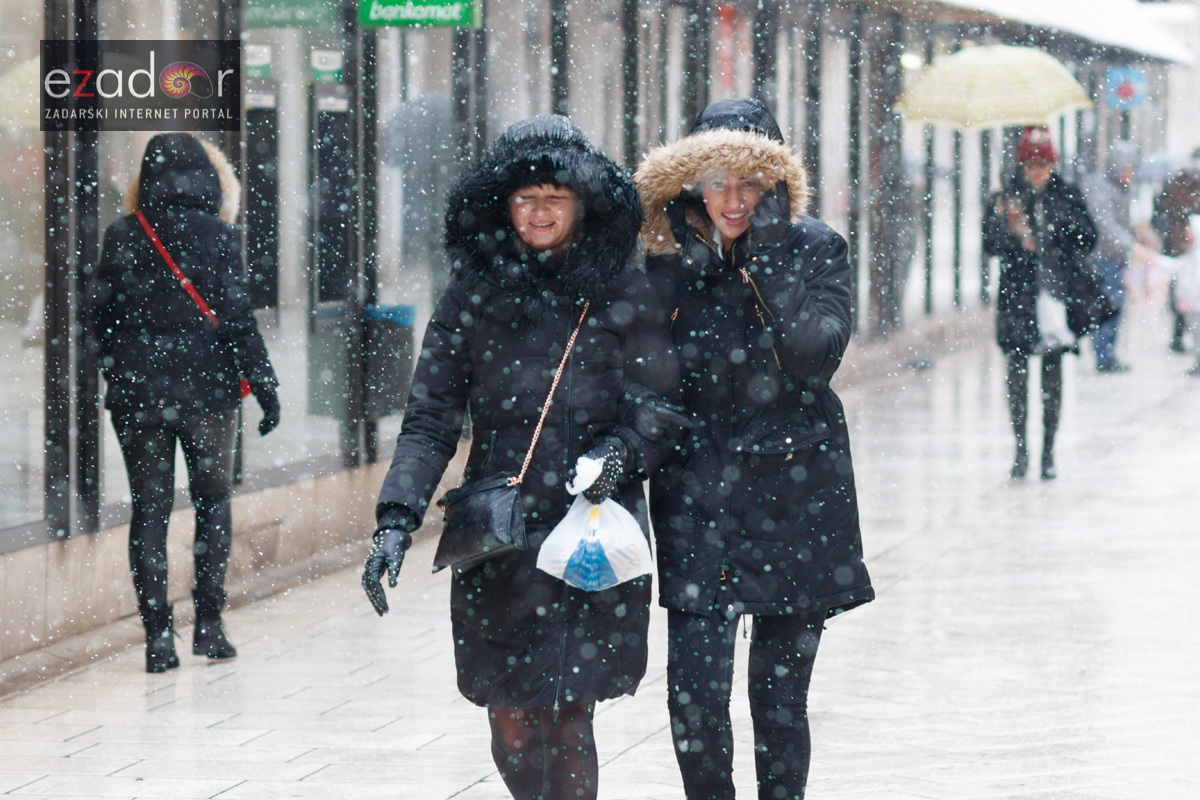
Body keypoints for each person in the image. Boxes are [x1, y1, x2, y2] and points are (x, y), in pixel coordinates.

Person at [360, 115, 682, 800]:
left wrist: (619, 456)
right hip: (499, 536)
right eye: (526, 197)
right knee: (510, 720)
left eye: (555, 196)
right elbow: (429, 420)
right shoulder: (471, 295)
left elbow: (658, 408)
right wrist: (395, 517)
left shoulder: (621, 291)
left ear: (583, 203)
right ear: (502, 205)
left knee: (569, 716)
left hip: (589, 531)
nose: (539, 211)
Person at [633, 97, 874, 800]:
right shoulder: (665, 260)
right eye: (715, 182)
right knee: (694, 697)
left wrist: (766, 260)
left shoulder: (816, 248)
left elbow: (812, 358)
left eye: (748, 183)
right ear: (691, 183)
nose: (731, 201)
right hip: (697, 494)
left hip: (796, 492)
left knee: (779, 702)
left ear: (775, 183)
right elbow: (640, 370)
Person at [89, 133, 281, 673]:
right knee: (212, 503)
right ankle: (211, 627)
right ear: (207, 178)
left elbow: (98, 319)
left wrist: (118, 368)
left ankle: (156, 639)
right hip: (207, 394)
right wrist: (266, 389)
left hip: (138, 398)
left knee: (149, 511)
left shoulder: (122, 235)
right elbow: (240, 319)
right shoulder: (219, 235)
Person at [983, 127, 1113, 480]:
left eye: (1043, 163)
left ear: (1052, 164)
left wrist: (1053, 229)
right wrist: (1012, 233)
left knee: (1052, 376)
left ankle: (1048, 452)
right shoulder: (1005, 196)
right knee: (1017, 372)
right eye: (1030, 164)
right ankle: (1021, 449)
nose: (1037, 171)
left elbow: (1088, 237)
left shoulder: (1066, 194)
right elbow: (989, 244)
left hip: (1054, 296)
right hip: (1017, 297)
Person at [1082, 140, 1139, 372]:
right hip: (1101, 258)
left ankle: (1108, 354)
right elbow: (1104, 224)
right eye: (1129, 169)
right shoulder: (1100, 187)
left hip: (1116, 258)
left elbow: (1121, 222)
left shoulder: (1120, 187)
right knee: (1106, 306)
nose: (1131, 174)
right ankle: (1103, 356)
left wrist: (1136, 237)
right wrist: (1130, 244)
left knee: (1116, 306)